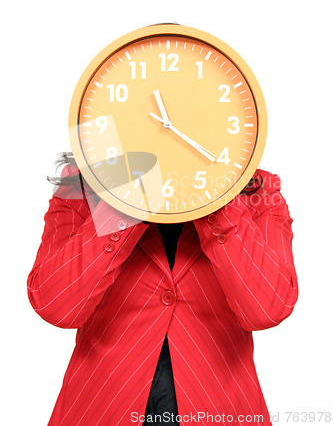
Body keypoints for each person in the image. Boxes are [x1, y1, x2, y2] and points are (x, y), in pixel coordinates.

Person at [27, 153, 298, 426]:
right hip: (102, 406)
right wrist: (124, 201)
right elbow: (57, 306)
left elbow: (267, 309)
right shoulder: (80, 185)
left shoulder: (259, 189)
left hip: (220, 406)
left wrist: (215, 195)